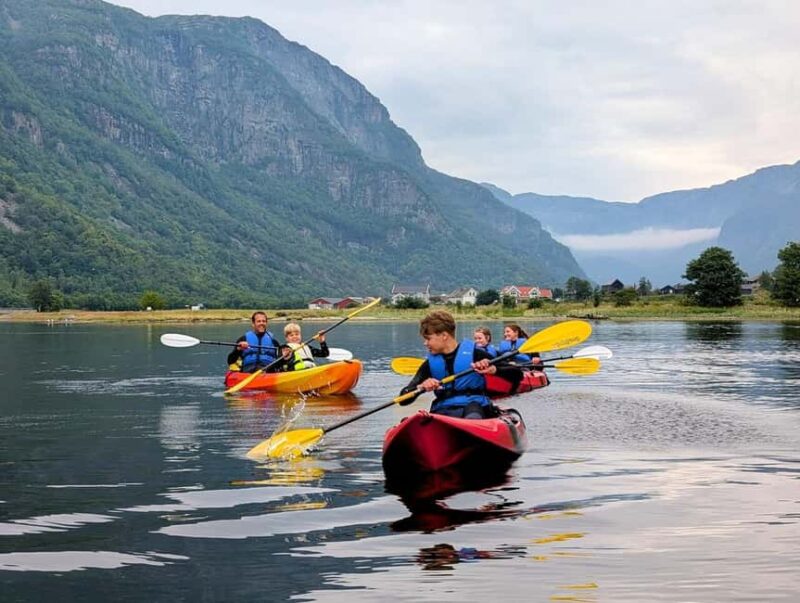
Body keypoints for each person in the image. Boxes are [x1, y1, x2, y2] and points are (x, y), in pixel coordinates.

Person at [400, 310, 522, 419]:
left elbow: (518, 374)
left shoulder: (476, 354)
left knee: (473, 413)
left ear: (444, 336)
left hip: (474, 407)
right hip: (443, 411)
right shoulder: (429, 365)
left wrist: (493, 370)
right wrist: (420, 387)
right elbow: (403, 400)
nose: (425, 343)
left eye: (428, 338)